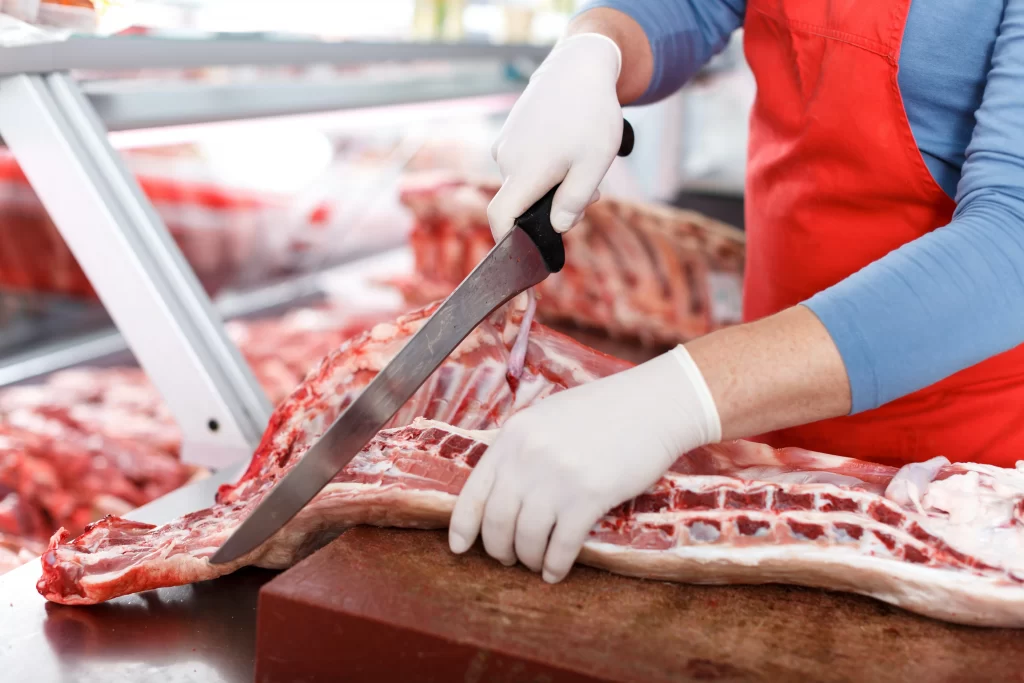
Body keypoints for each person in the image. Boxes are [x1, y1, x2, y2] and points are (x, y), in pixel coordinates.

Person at [447, 1, 1024, 585]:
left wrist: (679, 397)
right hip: (760, 414)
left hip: (966, 475)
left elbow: (1014, 236)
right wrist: (596, 47)